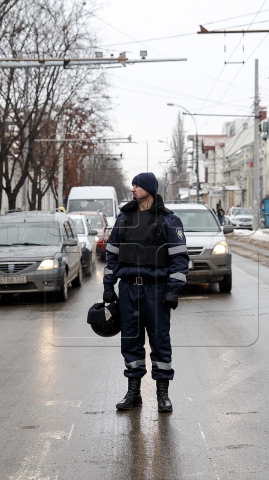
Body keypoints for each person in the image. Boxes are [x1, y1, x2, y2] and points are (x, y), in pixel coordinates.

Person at [103, 173, 189, 413]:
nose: (133, 189)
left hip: (157, 290)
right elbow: (112, 254)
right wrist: (108, 285)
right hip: (129, 288)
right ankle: (134, 394)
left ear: (149, 189)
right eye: (132, 185)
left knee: (160, 341)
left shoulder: (169, 221)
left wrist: (174, 289)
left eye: (137, 185)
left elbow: (180, 259)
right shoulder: (124, 218)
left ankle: (163, 395)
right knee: (131, 341)